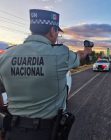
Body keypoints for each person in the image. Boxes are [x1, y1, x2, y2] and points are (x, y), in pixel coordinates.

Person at [0, 9, 91, 140]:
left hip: (12, 131)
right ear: (53, 31)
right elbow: (80, 56)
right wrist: (87, 51)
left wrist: (3, 108)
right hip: (45, 132)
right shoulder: (60, 54)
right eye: (57, 33)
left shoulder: (5, 56)